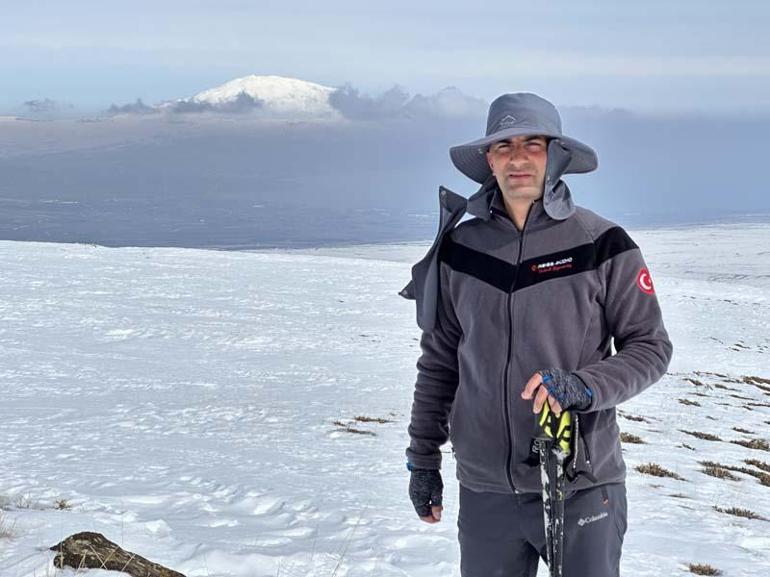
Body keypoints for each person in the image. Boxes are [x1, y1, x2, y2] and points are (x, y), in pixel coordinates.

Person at [400, 93, 673, 577]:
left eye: (532, 143)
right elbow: (440, 363)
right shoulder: (459, 251)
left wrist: (584, 387)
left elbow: (650, 347)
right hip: (486, 490)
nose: (518, 157)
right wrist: (423, 459)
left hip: (582, 481)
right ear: (489, 159)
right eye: (503, 146)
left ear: (556, 154)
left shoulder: (602, 243)